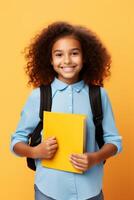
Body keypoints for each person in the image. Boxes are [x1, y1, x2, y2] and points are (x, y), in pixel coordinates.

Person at [10, 21, 122, 200]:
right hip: (48, 191)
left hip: (90, 192)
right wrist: (35, 152)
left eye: (74, 53)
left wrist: (95, 158)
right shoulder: (39, 96)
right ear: (51, 60)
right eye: (59, 54)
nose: (67, 60)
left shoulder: (98, 95)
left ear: (85, 57)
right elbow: (16, 143)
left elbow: (114, 142)